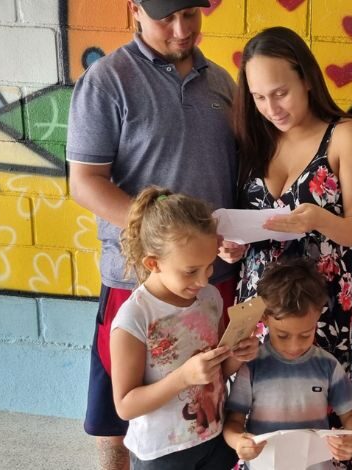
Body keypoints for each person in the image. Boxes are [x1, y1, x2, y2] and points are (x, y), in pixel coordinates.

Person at [66, 0, 238, 468]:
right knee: (117, 415)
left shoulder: (223, 83)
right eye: (166, 17)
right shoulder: (106, 81)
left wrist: (238, 230)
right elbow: (85, 182)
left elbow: (236, 178)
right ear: (134, 10)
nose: (182, 30)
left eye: (191, 14)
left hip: (213, 277)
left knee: (208, 395)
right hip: (137, 280)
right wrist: (163, 234)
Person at [219, 28, 352, 466]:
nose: (272, 108)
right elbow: (245, 221)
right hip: (258, 298)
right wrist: (231, 248)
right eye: (259, 97)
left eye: (281, 92)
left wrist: (318, 220)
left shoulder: (345, 136)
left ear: (307, 78)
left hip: (317, 299)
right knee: (255, 403)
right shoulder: (255, 137)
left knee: (321, 405)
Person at [110, 186, 259, 469]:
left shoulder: (210, 298)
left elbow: (216, 371)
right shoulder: (135, 317)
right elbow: (125, 405)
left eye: (209, 267)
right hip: (162, 452)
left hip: (213, 438)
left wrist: (237, 357)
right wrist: (182, 378)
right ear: (153, 263)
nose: (203, 280)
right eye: (191, 271)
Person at [223, 258, 352, 469]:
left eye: (305, 334)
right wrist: (238, 442)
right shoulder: (251, 366)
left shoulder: (327, 366)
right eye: (282, 335)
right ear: (265, 318)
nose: (293, 346)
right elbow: (233, 422)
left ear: (318, 314)